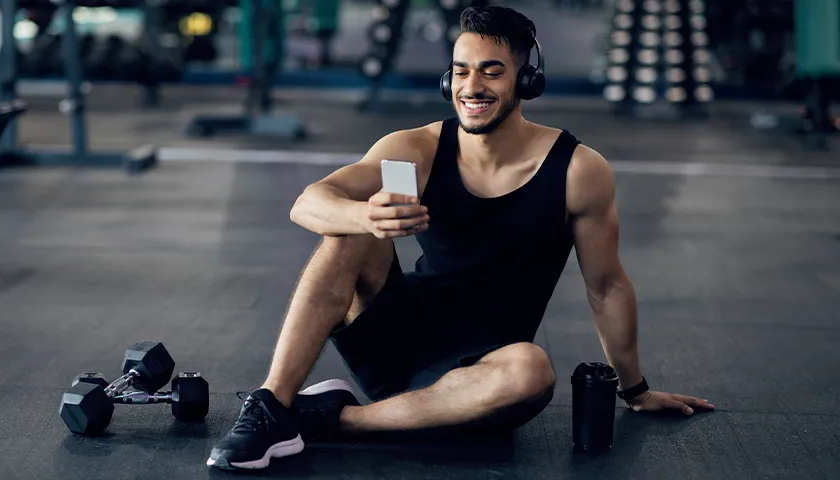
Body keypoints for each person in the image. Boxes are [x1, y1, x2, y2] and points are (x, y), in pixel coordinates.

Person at [206, 5, 715, 471]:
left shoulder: (578, 171)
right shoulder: (418, 148)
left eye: (492, 71)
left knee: (531, 371)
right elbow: (309, 202)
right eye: (462, 70)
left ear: (526, 79)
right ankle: (273, 406)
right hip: (394, 344)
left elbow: (606, 287)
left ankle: (330, 420)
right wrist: (366, 216)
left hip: (482, 373)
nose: (472, 86)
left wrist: (636, 390)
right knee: (346, 232)